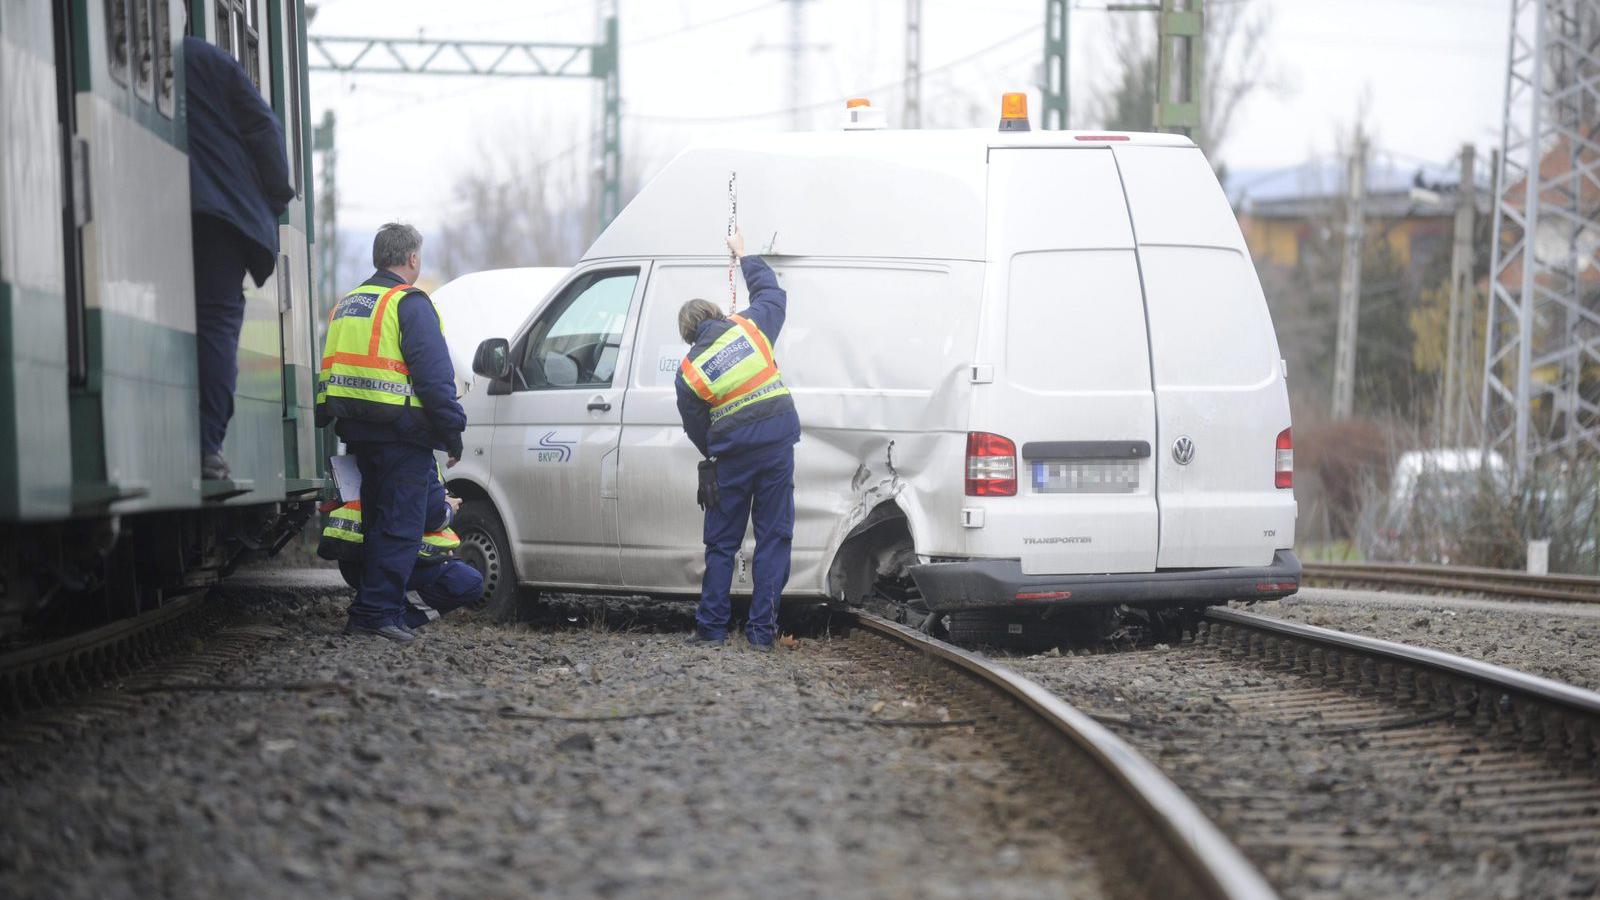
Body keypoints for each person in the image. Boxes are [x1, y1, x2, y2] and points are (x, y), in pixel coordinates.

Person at [317, 224, 467, 643]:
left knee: (378, 522)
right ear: (413, 259)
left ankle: (372, 611)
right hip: (402, 435)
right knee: (399, 527)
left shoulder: (349, 304)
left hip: (358, 434)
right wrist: (453, 433)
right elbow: (436, 381)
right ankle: (376, 614)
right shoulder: (410, 303)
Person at [675, 231, 800, 651]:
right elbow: (772, 293)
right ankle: (762, 635)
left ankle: (711, 630)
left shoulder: (690, 370)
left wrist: (712, 452)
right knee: (773, 538)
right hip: (777, 447)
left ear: (688, 335)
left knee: (722, 543)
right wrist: (745, 256)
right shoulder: (750, 325)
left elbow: (695, 425)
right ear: (716, 313)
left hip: (732, 458)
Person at [184, 34, 295, 480]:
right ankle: (208, 446)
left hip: (160, 203)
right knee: (217, 320)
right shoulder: (208, 60)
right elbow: (264, 128)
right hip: (217, 215)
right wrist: (276, 194)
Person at [318, 465, 484, 632]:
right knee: (470, 582)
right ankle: (387, 616)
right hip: (385, 565)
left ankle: (375, 608)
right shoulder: (415, 455)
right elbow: (434, 516)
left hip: (350, 560)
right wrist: (448, 507)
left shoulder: (370, 447)